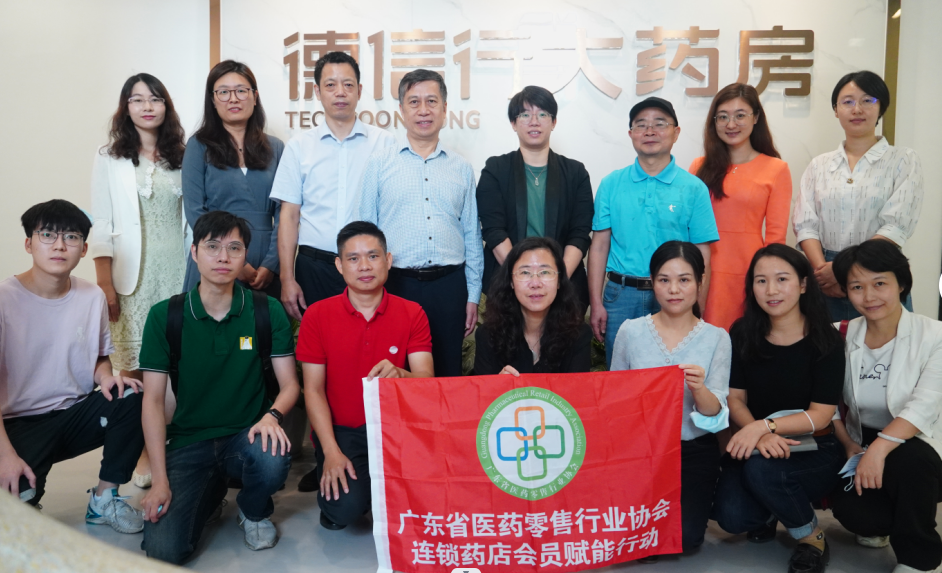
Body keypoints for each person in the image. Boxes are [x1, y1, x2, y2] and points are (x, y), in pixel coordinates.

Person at [139, 211, 300, 563]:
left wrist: (272, 416)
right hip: (188, 442)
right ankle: (209, 493)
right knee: (164, 552)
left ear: (245, 257)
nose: (223, 257)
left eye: (234, 248)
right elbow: (152, 401)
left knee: (272, 456)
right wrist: (160, 480)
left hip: (247, 435)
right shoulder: (165, 316)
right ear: (194, 252)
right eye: (212, 246)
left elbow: (290, 385)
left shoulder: (266, 310)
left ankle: (253, 510)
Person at [0, 200, 145, 533]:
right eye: (48, 235)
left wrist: (106, 377)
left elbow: (98, 355)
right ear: (28, 244)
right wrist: (5, 456)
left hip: (73, 413)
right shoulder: (4, 299)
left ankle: (104, 499)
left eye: (71, 237)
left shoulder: (91, 296)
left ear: (83, 249)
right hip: (17, 424)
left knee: (132, 394)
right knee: (15, 514)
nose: (59, 245)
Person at [712, 244, 845, 573]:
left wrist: (764, 427)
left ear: (803, 284)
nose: (771, 290)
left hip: (814, 446)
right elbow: (735, 399)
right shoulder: (742, 332)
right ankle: (774, 507)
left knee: (762, 472)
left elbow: (821, 415)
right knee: (732, 517)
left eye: (782, 279)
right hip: (758, 444)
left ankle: (811, 537)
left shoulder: (827, 340)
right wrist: (760, 436)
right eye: (761, 281)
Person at [296, 221, 433, 530]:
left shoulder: (413, 312)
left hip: (397, 430)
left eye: (373, 256)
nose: (365, 266)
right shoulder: (317, 315)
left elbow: (426, 380)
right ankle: (344, 489)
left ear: (388, 260)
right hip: (343, 431)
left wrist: (401, 374)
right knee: (346, 509)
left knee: (427, 502)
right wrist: (330, 451)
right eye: (353, 258)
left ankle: (372, 487)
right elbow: (313, 390)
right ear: (339, 265)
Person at [88, 73, 187, 490]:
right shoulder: (109, 157)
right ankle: (144, 450)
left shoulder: (184, 155)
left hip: (179, 272)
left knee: (181, 364)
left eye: (155, 99)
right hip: (132, 277)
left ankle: (180, 448)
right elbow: (101, 221)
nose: (147, 106)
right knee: (134, 369)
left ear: (166, 106)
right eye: (137, 99)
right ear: (125, 108)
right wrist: (105, 283)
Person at [358, 69, 483, 377]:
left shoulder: (461, 168)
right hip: (397, 285)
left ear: (444, 108)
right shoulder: (379, 164)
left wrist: (472, 295)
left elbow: (471, 235)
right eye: (414, 102)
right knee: (395, 374)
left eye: (431, 101)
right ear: (402, 109)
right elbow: (365, 233)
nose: (423, 110)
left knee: (447, 373)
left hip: (449, 287)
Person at [609, 240, 730, 557]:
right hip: (640, 452)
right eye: (664, 280)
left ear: (700, 282)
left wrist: (699, 389)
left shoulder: (717, 337)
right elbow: (614, 401)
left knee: (684, 539)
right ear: (652, 282)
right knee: (635, 538)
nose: (674, 289)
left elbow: (715, 415)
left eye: (684, 279)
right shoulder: (630, 332)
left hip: (693, 451)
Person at [829, 240, 942, 573]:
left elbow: (925, 404)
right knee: (856, 514)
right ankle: (890, 519)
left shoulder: (935, 335)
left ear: (901, 283)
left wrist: (878, 450)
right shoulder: (839, 335)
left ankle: (918, 559)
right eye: (857, 287)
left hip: (918, 442)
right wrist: (849, 444)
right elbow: (828, 402)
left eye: (880, 283)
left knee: (911, 461)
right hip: (860, 440)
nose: (869, 296)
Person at [588, 96, 719, 368]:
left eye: (660, 124)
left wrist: (698, 304)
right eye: (641, 125)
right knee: (621, 375)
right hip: (621, 296)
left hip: (675, 294)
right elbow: (599, 246)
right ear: (631, 134)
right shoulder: (611, 184)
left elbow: (702, 253)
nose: (650, 131)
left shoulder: (694, 188)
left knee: (674, 376)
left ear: (676, 133)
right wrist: (596, 303)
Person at [271, 51, 396, 322]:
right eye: (330, 85)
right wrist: (287, 279)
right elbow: (289, 217)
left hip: (367, 268)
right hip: (314, 268)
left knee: (369, 343)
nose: (340, 92)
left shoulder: (385, 144)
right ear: (317, 91)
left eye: (348, 84)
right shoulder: (299, 146)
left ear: (359, 90)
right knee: (321, 344)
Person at [793, 71, 923, 321]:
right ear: (836, 109)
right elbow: (805, 225)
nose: (857, 109)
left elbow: (896, 225)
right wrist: (824, 272)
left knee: (888, 344)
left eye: (867, 100)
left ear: (881, 107)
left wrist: (846, 270)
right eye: (848, 101)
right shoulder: (819, 165)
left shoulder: (903, 160)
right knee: (828, 343)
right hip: (825, 277)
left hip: (880, 273)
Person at [476, 86, 593, 314]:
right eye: (525, 115)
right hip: (507, 285)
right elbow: (494, 231)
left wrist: (555, 279)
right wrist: (522, 278)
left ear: (554, 122)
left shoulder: (576, 173)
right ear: (513, 123)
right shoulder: (495, 169)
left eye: (542, 114)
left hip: (565, 286)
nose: (534, 122)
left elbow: (579, 233)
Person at [690, 83, 792, 331]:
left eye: (740, 115)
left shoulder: (776, 168)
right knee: (699, 338)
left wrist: (768, 278)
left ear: (755, 117)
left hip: (748, 270)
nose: (731, 124)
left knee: (744, 339)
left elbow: (776, 237)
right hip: (701, 267)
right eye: (723, 117)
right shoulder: (699, 166)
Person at [182, 60, 285, 297]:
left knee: (261, 320)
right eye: (224, 92)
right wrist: (233, 259)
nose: (233, 99)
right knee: (211, 319)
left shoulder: (276, 148)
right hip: (215, 256)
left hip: (265, 260)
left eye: (241, 90)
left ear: (254, 97)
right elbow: (195, 211)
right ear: (213, 100)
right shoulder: (198, 146)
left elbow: (285, 213)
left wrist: (272, 263)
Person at [475, 237, 591, 375]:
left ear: (559, 281)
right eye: (525, 273)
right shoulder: (487, 335)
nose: (535, 283)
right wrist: (497, 385)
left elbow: (578, 388)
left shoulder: (579, 334)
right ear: (511, 282)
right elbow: (482, 388)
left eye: (545, 272)